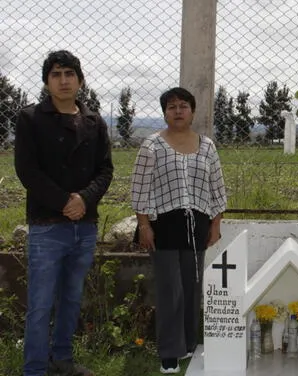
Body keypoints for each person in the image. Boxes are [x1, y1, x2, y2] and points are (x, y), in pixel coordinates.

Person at [14, 50, 113, 376]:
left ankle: (63, 361)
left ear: (80, 80)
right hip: (47, 225)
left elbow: (105, 170)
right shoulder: (30, 119)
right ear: (46, 82)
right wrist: (63, 202)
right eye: (56, 74)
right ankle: (35, 368)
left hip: (84, 225)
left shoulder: (95, 122)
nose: (63, 80)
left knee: (71, 299)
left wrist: (84, 199)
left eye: (69, 73)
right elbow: (27, 171)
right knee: (41, 304)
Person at [131, 87, 227, 374]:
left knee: (191, 286)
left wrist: (216, 224)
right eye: (171, 107)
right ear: (164, 112)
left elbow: (217, 187)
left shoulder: (207, 146)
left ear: (192, 111)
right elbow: (140, 189)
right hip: (163, 225)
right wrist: (144, 225)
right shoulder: (152, 146)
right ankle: (169, 352)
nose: (178, 111)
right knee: (170, 289)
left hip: (197, 224)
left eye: (183, 106)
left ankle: (188, 344)